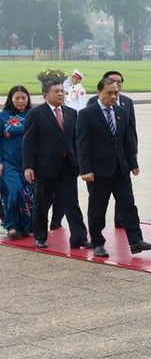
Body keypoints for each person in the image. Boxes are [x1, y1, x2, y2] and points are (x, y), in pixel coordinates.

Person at [76, 77, 151, 258]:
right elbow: (82, 144)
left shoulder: (121, 112)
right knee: (98, 209)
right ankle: (98, 242)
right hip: (98, 172)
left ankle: (136, 241)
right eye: (109, 93)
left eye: (116, 93)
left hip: (120, 169)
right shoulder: (87, 114)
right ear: (99, 92)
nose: (113, 96)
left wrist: (133, 164)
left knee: (128, 206)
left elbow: (126, 140)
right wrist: (85, 169)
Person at [21, 81, 89, 248]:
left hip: (67, 166)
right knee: (42, 203)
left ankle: (79, 237)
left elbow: (75, 140)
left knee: (71, 203)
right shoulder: (35, 114)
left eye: (62, 91)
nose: (61, 94)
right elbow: (28, 142)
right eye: (56, 91)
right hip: (44, 167)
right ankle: (40, 236)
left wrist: (80, 163)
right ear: (46, 95)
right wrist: (28, 166)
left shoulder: (72, 113)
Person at [1, 86, 35, 239]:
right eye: (17, 98)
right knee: (14, 191)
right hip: (8, 162)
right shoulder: (3, 117)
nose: (21, 101)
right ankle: (12, 225)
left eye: (24, 98)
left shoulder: (34, 115)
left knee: (30, 194)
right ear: (11, 99)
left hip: (29, 163)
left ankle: (28, 225)